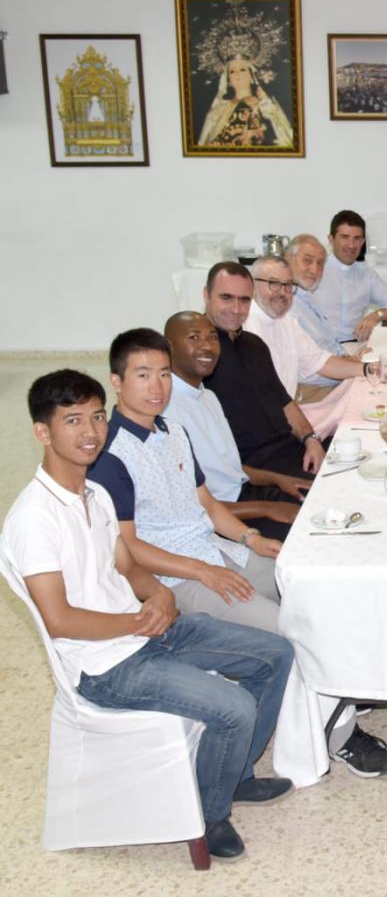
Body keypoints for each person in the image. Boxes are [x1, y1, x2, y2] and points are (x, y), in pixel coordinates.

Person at [2, 368, 295, 861]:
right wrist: (137, 622)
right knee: (233, 707)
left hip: (145, 633)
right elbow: (59, 620)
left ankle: (234, 775)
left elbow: (126, 565)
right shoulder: (34, 519)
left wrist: (157, 594)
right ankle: (209, 815)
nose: (91, 431)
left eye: (97, 417)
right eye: (72, 420)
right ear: (42, 432)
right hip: (103, 666)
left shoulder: (94, 494)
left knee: (276, 653)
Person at [89, 330, 387, 779]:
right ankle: (339, 737)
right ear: (116, 382)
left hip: (219, 551)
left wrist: (251, 539)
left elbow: (206, 503)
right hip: (180, 578)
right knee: (292, 632)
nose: (157, 387)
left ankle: (336, 688)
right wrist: (203, 571)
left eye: (163, 374)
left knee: (315, 591)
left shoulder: (172, 430)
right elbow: (128, 546)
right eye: (142, 375)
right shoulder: (110, 455)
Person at [163, 311, 306, 541]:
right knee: (307, 536)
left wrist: (278, 480)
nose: (207, 346)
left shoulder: (208, 396)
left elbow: (229, 469)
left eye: (212, 337)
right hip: (222, 518)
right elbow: (194, 506)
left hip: (246, 494)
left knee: (323, 502)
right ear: (168, 347)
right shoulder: (166, 411)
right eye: (194, 337)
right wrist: (267, 508)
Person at [200, 262, 325, 481]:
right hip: (253, 472)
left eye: (244, 300)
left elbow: (284, 402)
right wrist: (276, 480)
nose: (236, 309)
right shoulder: (199, 356)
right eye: (226, 298)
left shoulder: (254, 345)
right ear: (206, 295)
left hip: (290, 450)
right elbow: (209, 458)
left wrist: (310, 438)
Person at [244, 255, 366, 402]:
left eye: (288, 285)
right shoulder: (244, 327)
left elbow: (319, 362)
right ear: (251, 286)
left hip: (285, 406)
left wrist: (369, 369)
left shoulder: (286, 321)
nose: (282, 292)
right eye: (274, 283)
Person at [290, 212, 387, 353]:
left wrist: (376, 315)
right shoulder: (315, 271)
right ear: (331, 239)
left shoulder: (366, 274)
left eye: (357, 238)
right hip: (318, 349)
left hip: (356, 345)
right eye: (345, 237)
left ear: (363, 242)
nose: (351, 245)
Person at [198, 57, 295, 148]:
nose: (237, 73)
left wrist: (265, 106)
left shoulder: (265, 104)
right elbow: (204, 142)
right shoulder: (218, 110)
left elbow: (283, 135)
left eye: (242, 69)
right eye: (232, 71)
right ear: (228, 80)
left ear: (251, 76)